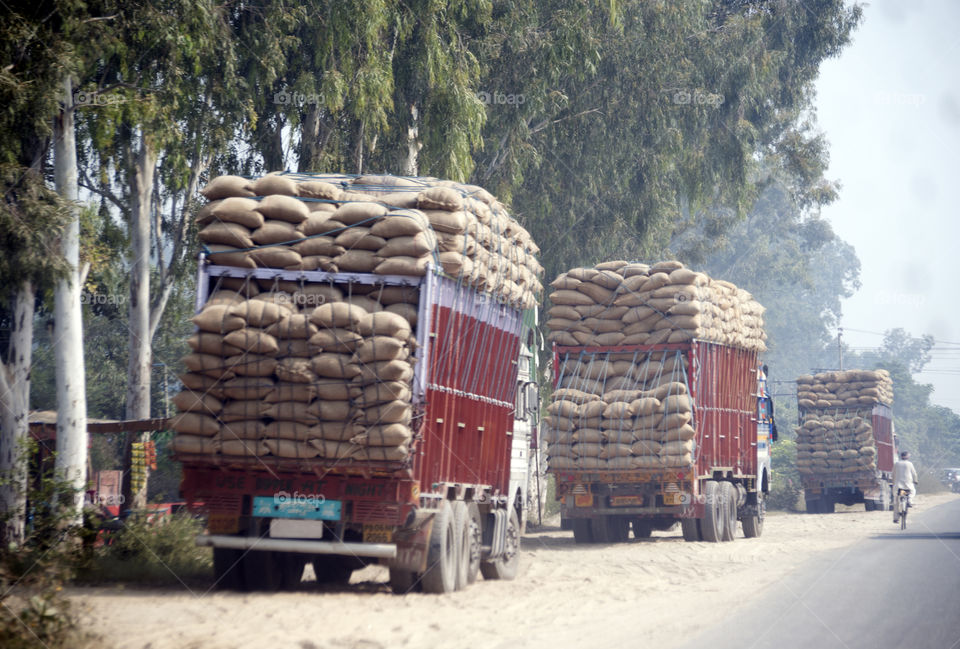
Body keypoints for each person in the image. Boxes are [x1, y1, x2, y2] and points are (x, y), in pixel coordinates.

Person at [893, 451, 919, 523]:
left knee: (896, 502)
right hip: (908, 485)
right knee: (913, 491)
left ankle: (896, 518)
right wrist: (915, 480)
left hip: (898, 486)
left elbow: (893, 474)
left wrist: (894, 482)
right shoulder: (910, 464)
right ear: (907, 456)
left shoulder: (896, 464)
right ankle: (910, 501)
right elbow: (914, 473)